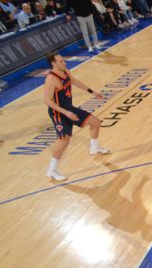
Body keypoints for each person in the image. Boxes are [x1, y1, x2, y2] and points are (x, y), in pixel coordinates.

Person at [43, 52, 109, 181]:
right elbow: (48, 101)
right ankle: (51, 170)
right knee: (64, 141)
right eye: (61, 61)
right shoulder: (51, 79)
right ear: (53, 63)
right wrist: (66, 113)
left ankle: (94, 148)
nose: (64, 63)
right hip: (59, 113)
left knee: (95, 122)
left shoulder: (65, 71)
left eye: (64, 60)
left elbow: (75, 82)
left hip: (69, 109)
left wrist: (92, 92)